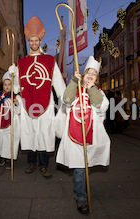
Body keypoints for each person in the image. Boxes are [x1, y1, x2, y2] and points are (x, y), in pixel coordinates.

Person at [8, 16, 66, 178]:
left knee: (44, 134)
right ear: (29, 41)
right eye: (31, 41)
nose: (34, 43)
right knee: (30, 133)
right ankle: (31, 163)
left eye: (36, 40)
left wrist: (65, 98)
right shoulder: (22, 62)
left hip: (45, 104)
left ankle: (44, 165)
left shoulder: (48, 60)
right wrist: (12, 76)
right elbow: (16, 87)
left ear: (40, 40)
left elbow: (57, 81)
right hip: (27, 103)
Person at [56, 56, 111, 214]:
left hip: (92, 135)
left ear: (96, 79)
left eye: (94, 74)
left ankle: (83, 191)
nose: (90, 76)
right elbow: (66, 100)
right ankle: (80, 197)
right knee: (79, 168)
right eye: (88, 73)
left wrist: (92, 88)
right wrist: (74, 82)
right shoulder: (75, 89)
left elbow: (101, 106)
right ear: (83, 74)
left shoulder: (99, 92)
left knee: (86, 166)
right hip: (75, 135)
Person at [0, 72, 21, 169]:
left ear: (12, 85)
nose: (7, 86)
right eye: (5, 85)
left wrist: (17, 104)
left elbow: (19, 110)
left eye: (9, 85)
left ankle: (9, 159)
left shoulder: (15, 96)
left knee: (9, 141)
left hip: (10, 122)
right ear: (3, 85)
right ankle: (1, 157)